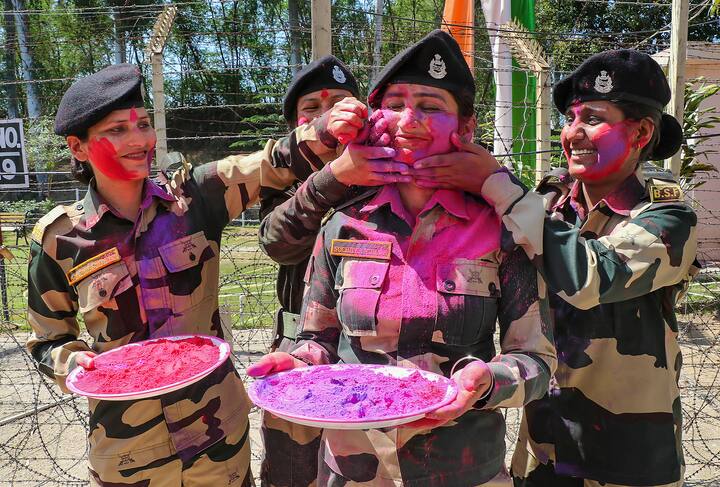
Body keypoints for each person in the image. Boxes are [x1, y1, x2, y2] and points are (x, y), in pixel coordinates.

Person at [249, 30, 556, 486]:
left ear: (466, 128)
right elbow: (317, 339)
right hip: (356, 469)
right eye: (394, 104)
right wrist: (298, 363)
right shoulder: (344, 226)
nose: (409, 120)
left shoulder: (501, 231)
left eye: (431, 106)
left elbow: (536, 361)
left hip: (462, 468)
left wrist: (487, 381)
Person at [408, 49, 698, 487]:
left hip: (628, 450)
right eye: (569, 118)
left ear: (641, 132)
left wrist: (493, 183)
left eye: (593, 118)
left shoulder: (668, 218)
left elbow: (591, 276)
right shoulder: (545, 204)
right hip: (544, 442)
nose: (573, 133)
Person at [25, 64, 263, 486]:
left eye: (144, 124)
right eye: (117, 130)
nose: (139, 140)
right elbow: (49, 340)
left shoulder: (193, 202)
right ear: (78, 148)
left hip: (218, 438)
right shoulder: (59, 241)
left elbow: (274, 161)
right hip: (132, 451)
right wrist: (76, 361)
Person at [258, 55, 411, 487]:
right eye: (313, 108)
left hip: (368, 351)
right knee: (294, 470)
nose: (329, 114)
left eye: (341, 101)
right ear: (298, 125)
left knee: (361, 470)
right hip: (299, 348)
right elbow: (277, 243)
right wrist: (335, 177)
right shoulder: (285, 177)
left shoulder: (390, 167)